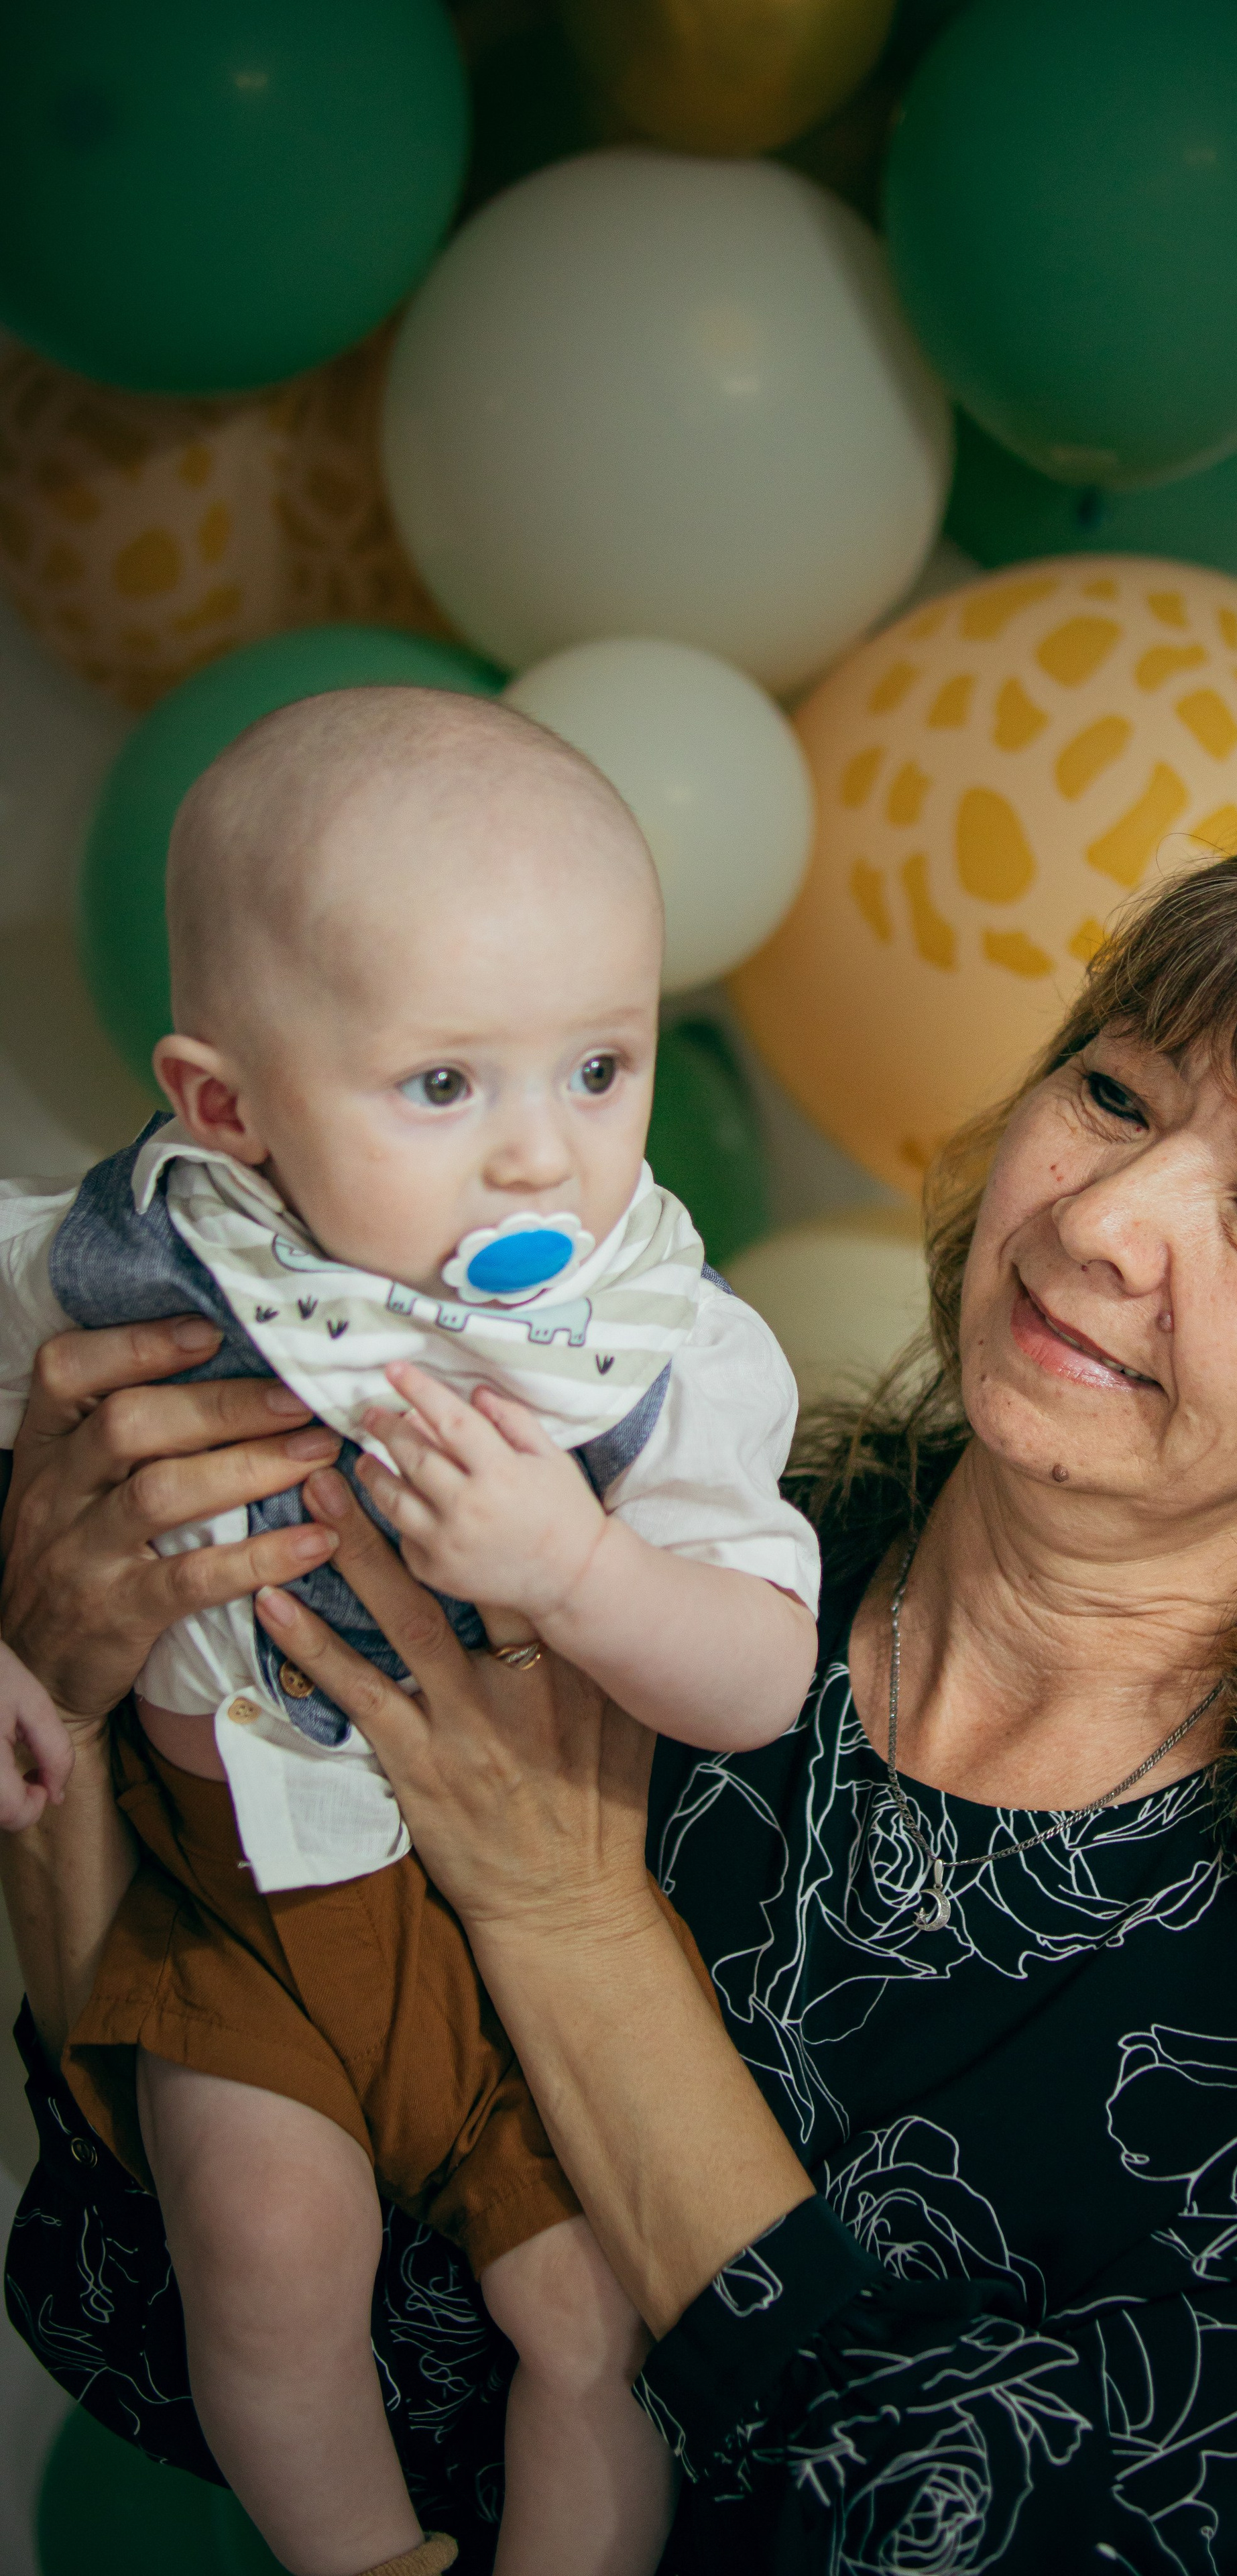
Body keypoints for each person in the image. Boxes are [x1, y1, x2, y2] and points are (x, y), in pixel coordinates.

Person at [5, 800, 1237, 2574]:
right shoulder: (665, 1545)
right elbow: (152, 2303)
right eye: (1115, 1094)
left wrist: (569, 1920)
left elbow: (1005, 2542)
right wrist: (66, 1693)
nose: (1106, 1217)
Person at [0, 687, 819, 2576]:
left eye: (598, 1068)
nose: (542, 1156)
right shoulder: (153, 1245)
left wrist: (585, 1574)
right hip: (229, 1921)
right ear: (228, 1104)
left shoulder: (654, 1343)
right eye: (447, 1085)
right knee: (268, 2262)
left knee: (592, 2326)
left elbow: (765, 1674)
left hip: (499, 1948)